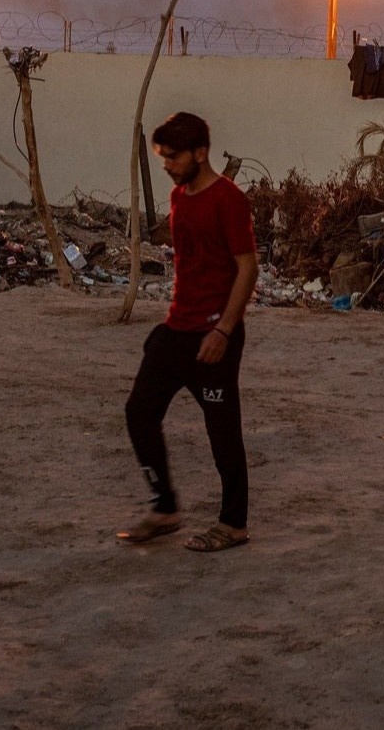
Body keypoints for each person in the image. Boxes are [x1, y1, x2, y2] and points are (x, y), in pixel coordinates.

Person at [117, 111, 259, 553]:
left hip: (214, 336)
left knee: (222, 432)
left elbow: (247, 267)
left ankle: (233, 524)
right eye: (163, 157)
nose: (167, 165)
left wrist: (224, 331)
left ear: (201, 153)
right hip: (176, 329)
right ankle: (165, 508)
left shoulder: (229, 199)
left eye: (174, 156)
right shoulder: (180, 197)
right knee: (139, 413)